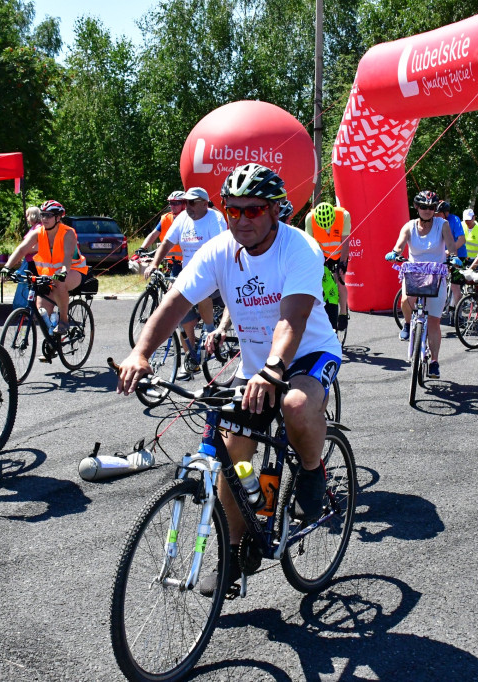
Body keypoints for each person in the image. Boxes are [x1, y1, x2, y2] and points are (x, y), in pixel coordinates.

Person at [117, 163, 341, 596]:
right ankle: (233, 554)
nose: (242, 220)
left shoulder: (301, 248)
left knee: (294, 404)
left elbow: (292, 319)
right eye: (232, 210)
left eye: (254, 210)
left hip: (309, 353)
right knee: (234, 456)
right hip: (257, 365)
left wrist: (274, 369)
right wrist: (141, 353)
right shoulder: (218, 250)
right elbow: (174, 302)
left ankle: (312, 473)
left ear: (275, 211)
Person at [146, 186, 227, 369]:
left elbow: (221, 249)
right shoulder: (182, 218)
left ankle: (208, 330)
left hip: (212, 273)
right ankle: (191, 358)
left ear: (205, 204)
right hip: (187, 274)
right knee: (183, 318)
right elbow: (166, 242)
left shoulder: (215, 218)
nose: (187, 206)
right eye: (185, 202)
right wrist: (154, 264)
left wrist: (204, 273)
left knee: (200, 292)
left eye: (191, 202)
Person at [387, 189, 458, 379]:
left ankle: (434, 361)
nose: (427, 211)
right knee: (405, 301)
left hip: (436, 274)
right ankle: (409, 324)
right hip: (414, 273)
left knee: (434, 321)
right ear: (417, 207)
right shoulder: (409, 226)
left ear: (435, 209)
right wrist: (395, 252)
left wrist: (453, 257)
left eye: (431, 207)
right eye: (424, 207)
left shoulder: (442, 225)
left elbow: (450, 245)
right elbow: (400, 244)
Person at [1, 200, 88, 342]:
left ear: (58, 217)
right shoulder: (38, 232)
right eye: (42, 215)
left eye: (48, 215)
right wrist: (7, 267)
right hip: (48, 275)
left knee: (59, 283)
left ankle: (64, 321)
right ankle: (53, 340)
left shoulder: (68, 233)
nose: (44, 219)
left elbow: (67, 257)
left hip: (73, 271)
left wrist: (63, 272)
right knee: (41, 312)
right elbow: (22, 249)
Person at [304, 201, 352, 331]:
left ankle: (343, 312)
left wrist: (342, 262)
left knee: (340, 280)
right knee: (321, 282)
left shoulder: (344, 215)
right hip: (322, 255)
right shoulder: (310, 218)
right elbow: (311, 245)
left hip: (339, 255)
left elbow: (346, 242)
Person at [140, 191, 186, 273]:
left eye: (176, 203)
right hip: (172, 262)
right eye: (171, 203)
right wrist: (142, 248)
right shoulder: (166, 218)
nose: (172, 206)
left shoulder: (191, 218)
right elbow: (153, 234)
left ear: (184, 204)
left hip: (188, 262)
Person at [437, 200, 466, 317]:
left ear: (446, 213)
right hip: (442, 255)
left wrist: (449, 251)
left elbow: (461, 240)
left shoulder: (454, 220)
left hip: (458, 255)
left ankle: (458, 315)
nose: (436, 215)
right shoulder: (435, 221)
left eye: (439, 213)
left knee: (455, 286)